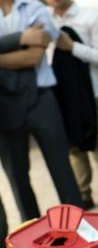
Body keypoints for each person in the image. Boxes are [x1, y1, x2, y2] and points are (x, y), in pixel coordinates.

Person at [41, 0, 98, 227]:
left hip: (92, 95)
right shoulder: (42, 20)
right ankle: (84, 194)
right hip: (61, 97)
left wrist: (73, 46)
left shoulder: (91, 18)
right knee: (74, 149)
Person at [0, 0, 84, 221]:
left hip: (41, 100)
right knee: (17, 179)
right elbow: (25, 50)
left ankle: (78, 229)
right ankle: (31, 234)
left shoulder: (35, 8)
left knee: (62, 170)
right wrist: (21, 38)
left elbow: (34, 56)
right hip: (5, 106)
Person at [0, 28, 50, 248]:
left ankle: (34, 239)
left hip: (7, 114)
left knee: (19, 181)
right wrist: (20, 38)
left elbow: (34, 50)